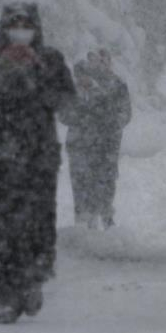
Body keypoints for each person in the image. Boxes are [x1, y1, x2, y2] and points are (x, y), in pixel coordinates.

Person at [0, 0, 75, 324]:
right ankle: (3, 291)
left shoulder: (52, 59)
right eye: (13, 25)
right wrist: (2, 69)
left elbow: (67, 103)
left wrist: (36, 71)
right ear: (3, 28)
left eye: (26, 25)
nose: (19, 32)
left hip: (38, 156)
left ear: (36, 28)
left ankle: (32, 278)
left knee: (37, 221)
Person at [59, 49, 132, 229]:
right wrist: (83, 117)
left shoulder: (118, 85)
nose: (102, 64)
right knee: (81, 185)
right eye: (98, 60)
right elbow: (64, 113)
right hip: (80, 146)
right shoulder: (76, 85)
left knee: (106, 183)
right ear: (90, 61)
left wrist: (111, 122)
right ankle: (83, 223)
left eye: (106, 60)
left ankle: (106, 219)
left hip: (107, 146)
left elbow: (125, 113)